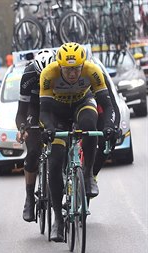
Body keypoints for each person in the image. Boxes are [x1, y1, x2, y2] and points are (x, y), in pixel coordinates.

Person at [39, 42, 116, 242]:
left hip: (83, 103)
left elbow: (107, 105)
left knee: (90, 126)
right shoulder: (48, 74)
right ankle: (58, 220)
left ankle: (89, 175)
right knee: (55, 164)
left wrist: (108, 126)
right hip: (57, 112)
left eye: (76, 69)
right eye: (67, 69)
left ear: (83, 65)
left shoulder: (92, 70)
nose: (72, 74)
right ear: (60, 66)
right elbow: (44, 110)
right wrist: (48, 128)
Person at [15, 49, 56, 222]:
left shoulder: (60, 73)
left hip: (54, 108)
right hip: (34, 108)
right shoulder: (28, 75)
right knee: (33, 152)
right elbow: (21, 112)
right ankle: (30, 198)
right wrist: (22, 128)